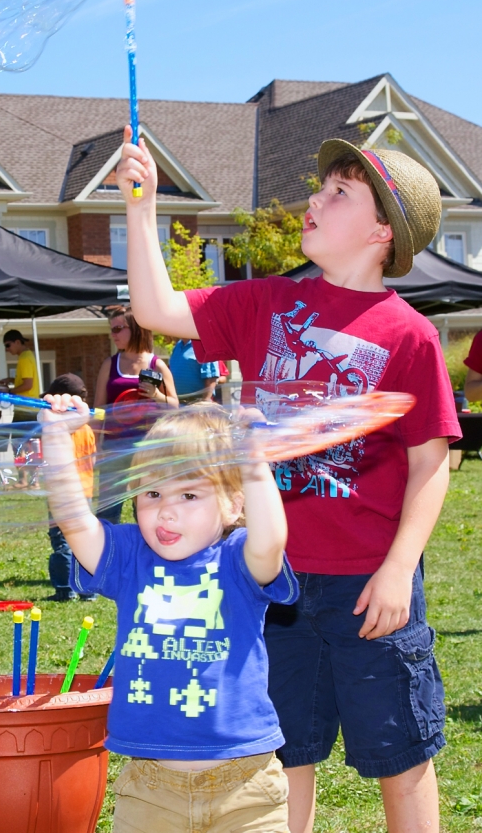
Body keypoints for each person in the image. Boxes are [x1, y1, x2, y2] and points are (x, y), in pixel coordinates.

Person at [118, 126, 459, 833]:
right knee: (282, 753)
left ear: (378, 233)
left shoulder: (408, 335)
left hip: (370, 585)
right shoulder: (265, 303)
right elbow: (155, 311)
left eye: (338, 192)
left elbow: (430, 464)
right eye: (320, 186)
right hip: (269, 579)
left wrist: (398, 570)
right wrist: (142, 210)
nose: (313, 198)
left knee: (399, 753)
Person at [40, 397, 297, 832]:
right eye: (152, 492)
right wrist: (57, 437)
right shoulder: (128, 556)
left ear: (234, 506)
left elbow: (271, 542)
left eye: (189, 493)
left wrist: (253, 461)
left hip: (246, 788)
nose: (166, 510)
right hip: (150, 789)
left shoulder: (238, 560)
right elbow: (74, 520)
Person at [93, 307, 178, 523]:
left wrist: (157, 395)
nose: (114, 334)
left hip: (148, 447)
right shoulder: (109, 364)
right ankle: (108, 554)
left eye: (119, 328)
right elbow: (99, 409)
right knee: (107, 509)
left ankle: (147, 553)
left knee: (146, 508)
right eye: (112, 329)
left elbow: (175, 406)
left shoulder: (156, 364)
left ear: (137, 329)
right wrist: (95, 446)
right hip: (114, 446)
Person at [43, 373, 97, 601]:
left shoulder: (60, 428)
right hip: (85, 491)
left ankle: (66, 589)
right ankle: (89, 590)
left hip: (63, 493)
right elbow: (92, 459)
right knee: (84, 542)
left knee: (62, 541)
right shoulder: (86, 428)